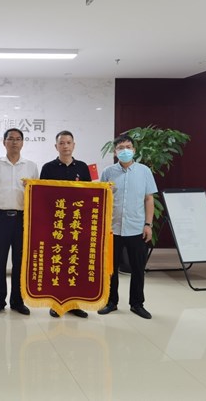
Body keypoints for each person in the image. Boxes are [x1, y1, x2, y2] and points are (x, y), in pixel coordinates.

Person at [98, 134, 157, 319]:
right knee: (110, 269)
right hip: (112, 228)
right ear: (115, 152)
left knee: (138, 268)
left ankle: (137, 304)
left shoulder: (144, 171)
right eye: (120, 148)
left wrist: (148, 224)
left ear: (134, 150)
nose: (125, 151)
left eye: (128, 147)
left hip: (137, 228)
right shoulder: (108, 172)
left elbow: (149, 199)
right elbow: (101, 198)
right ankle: (111, 302)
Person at [0, 128, 39, 315]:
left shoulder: (31, 166)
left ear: (22, 143)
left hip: (22, 219)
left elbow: (35, 193)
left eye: (18, 139)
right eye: (10, 139)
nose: (14, 142)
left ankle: (17, 301)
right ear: (4, 142)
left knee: (20, 262)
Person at [40, 130, 91, 319]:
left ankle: (75, 304)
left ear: (74, 145)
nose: (65, 146)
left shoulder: (83, 168)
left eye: (69, 142)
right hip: (56, 225)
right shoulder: (48, 168)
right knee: (57, 263)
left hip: (77, 225)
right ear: (56, 146)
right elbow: (42, 196)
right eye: (62, 143)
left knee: (75, 263)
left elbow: (90, 194)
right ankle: (56, 303)